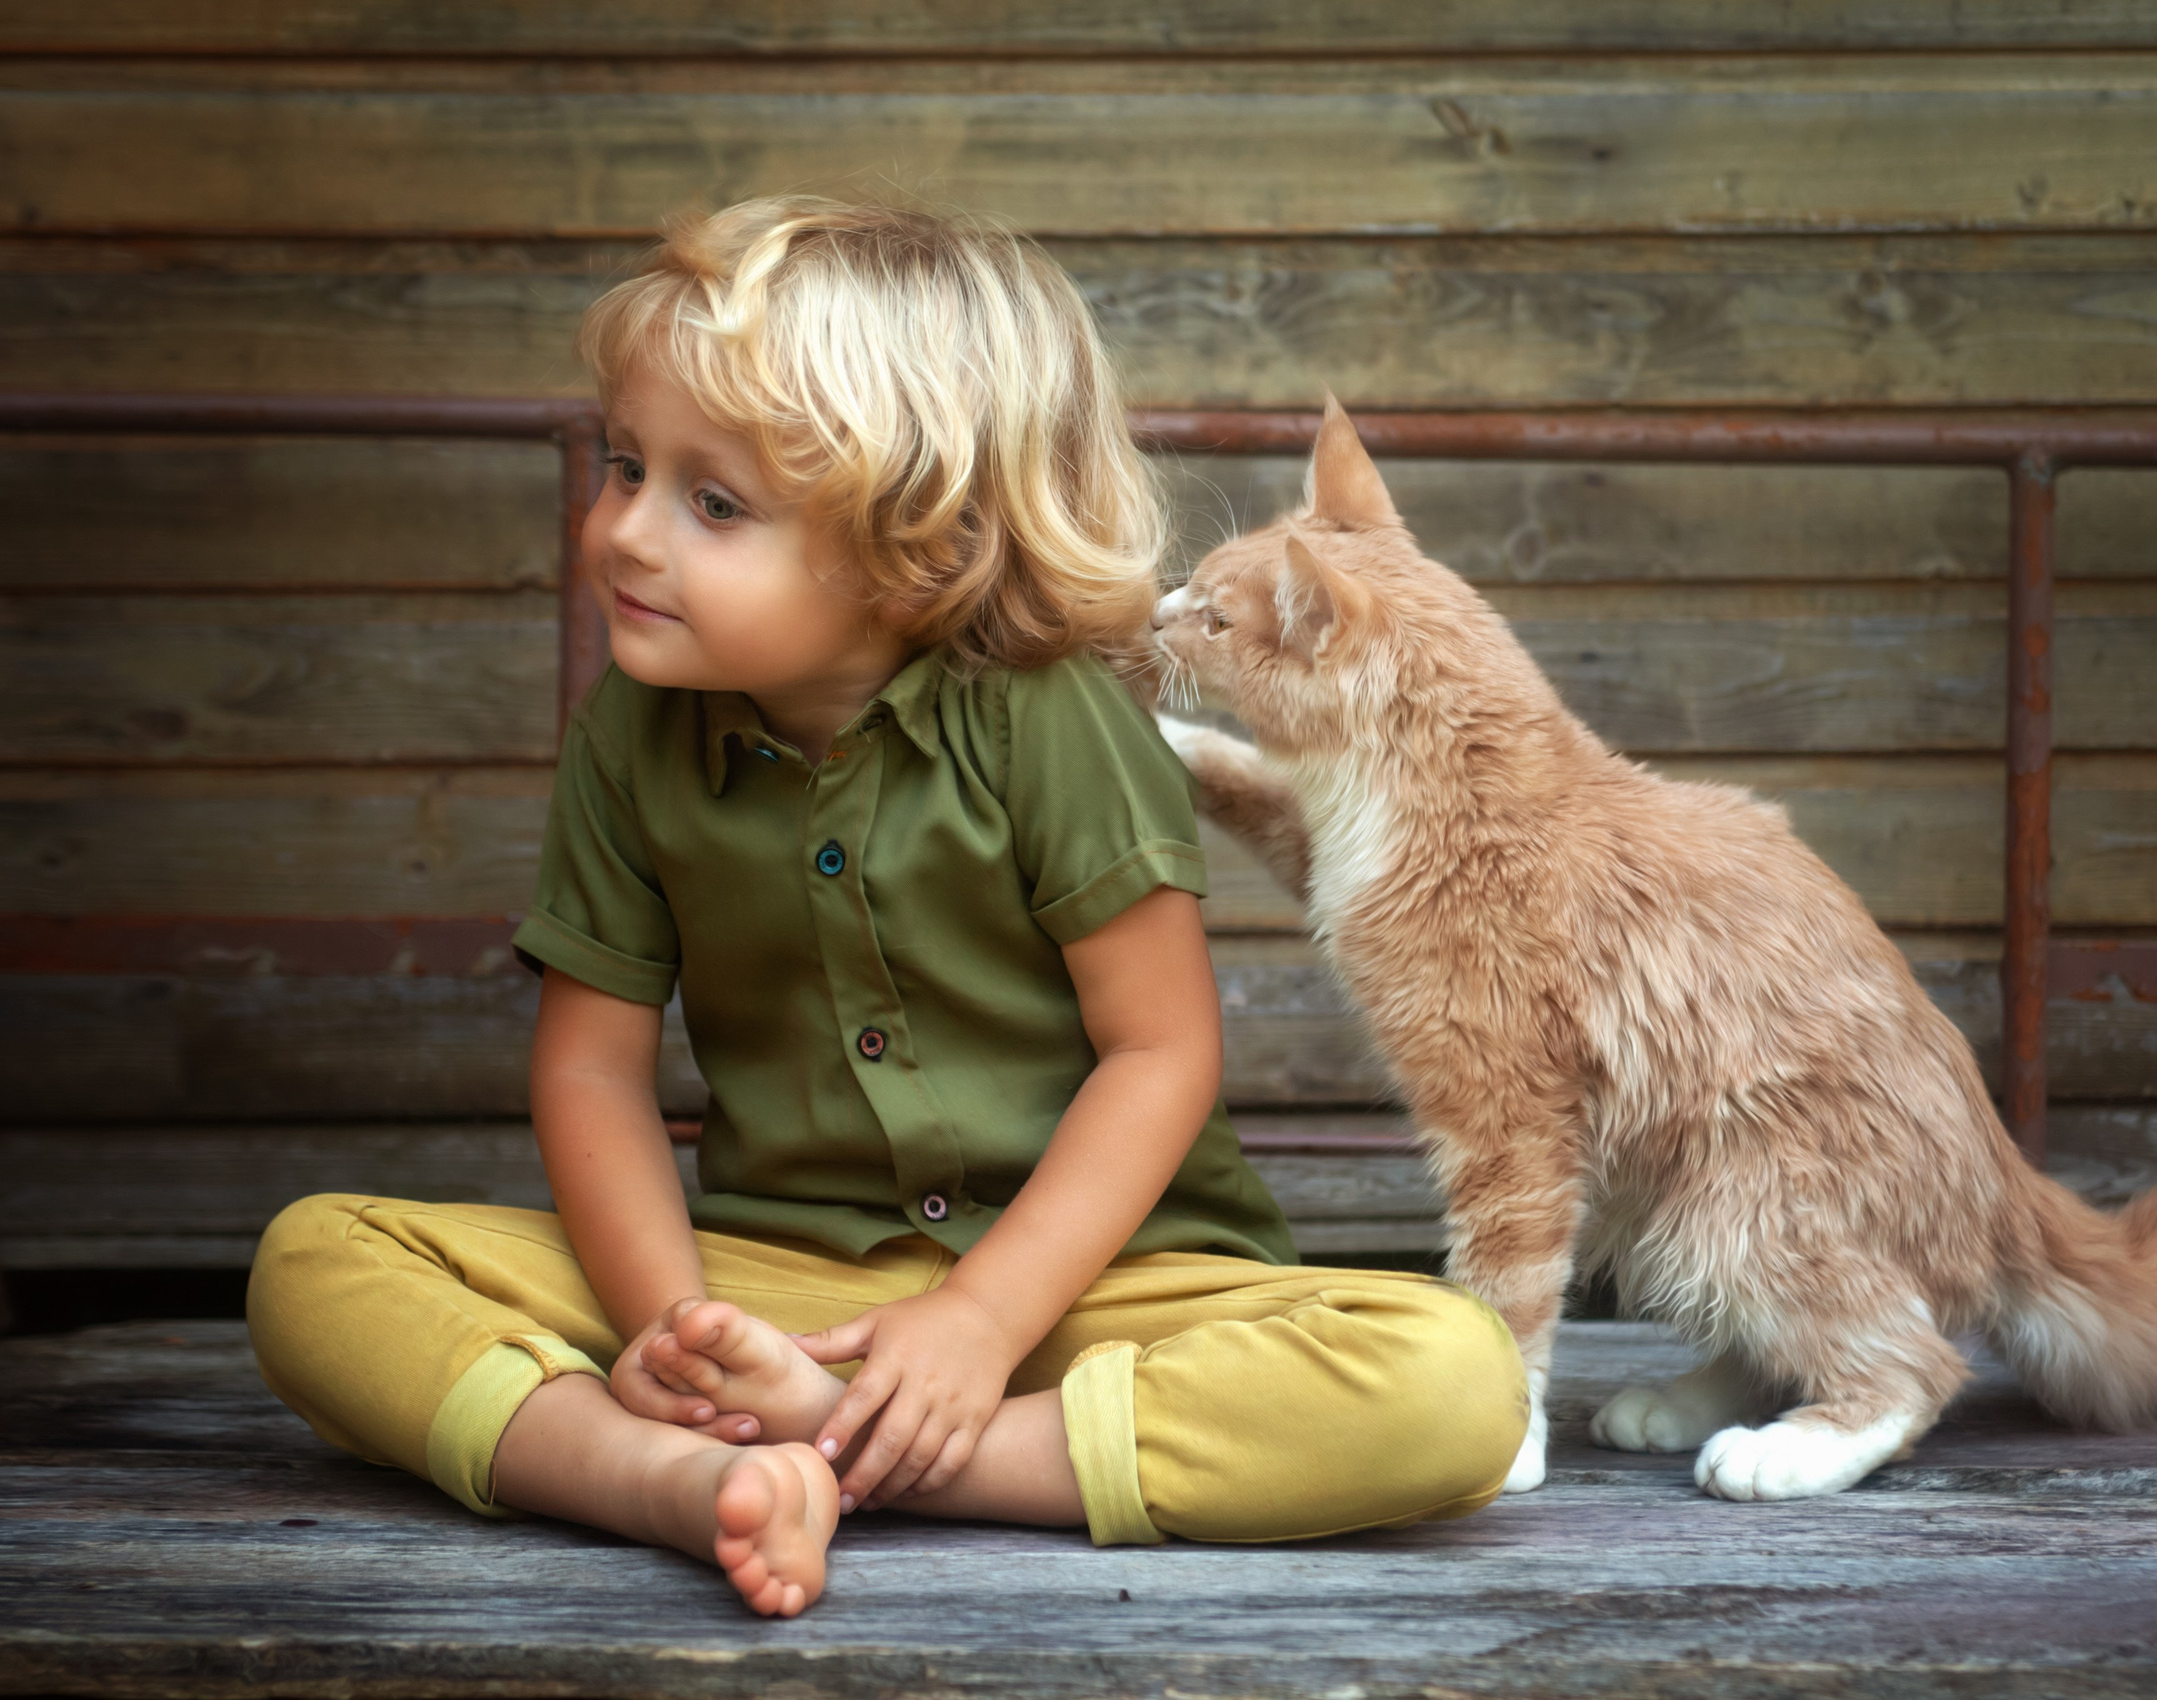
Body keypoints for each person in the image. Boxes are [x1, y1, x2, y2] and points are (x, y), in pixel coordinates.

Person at [246, 197, 1527, 1617]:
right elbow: (593, 1069)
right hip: (778, 1279)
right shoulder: (632, 733)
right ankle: (667, 1471)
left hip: (1092, 1288)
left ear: (912, 543)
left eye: (711, 502)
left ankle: (875, 1452)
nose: (622, 531)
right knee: (319, 1263)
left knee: (1452, 1383)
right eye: (624, 466)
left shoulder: (1049, 721)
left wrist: (977, 1323)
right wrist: (682, 1328)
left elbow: (1160, 1054)